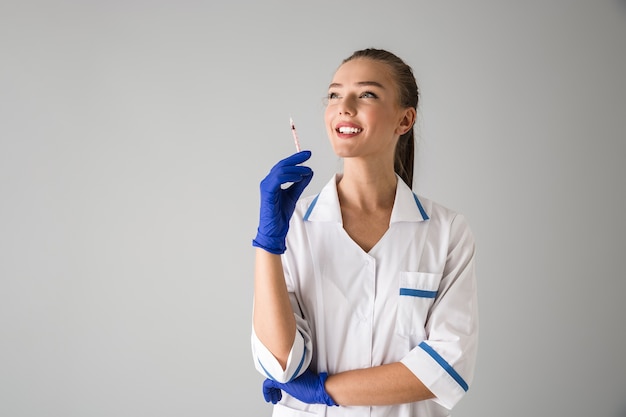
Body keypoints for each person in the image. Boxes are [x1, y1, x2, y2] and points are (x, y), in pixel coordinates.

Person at [251, 48, 478, 417]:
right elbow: (281, 363)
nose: (344, 106)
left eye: (367, 94)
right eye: (335, 94)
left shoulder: (446, 231)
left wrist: (325, 390)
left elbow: (446, 367)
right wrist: (267, 244)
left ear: (404, 120)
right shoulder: (292, 225)